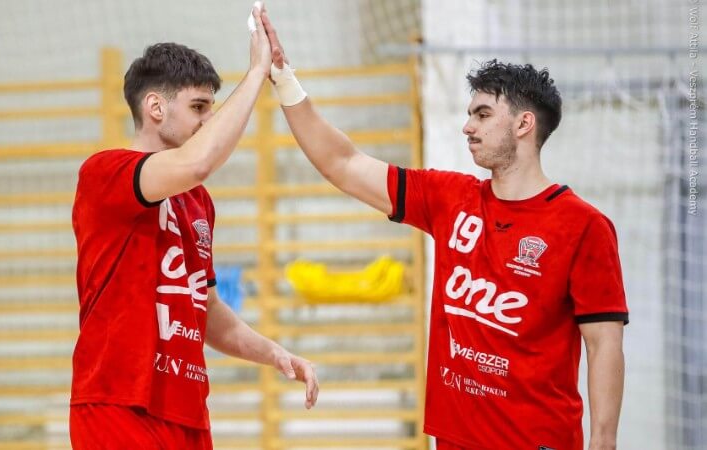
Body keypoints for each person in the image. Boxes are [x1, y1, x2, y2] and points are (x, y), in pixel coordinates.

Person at [260, 10, 627, 450]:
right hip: (453, 441)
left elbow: (603, 344)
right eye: (469, 114)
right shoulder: (449, 198)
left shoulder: (584, 225)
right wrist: (283, 78)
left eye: (483, 114)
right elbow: (343, 163)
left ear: (523, 124)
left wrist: (604, 443)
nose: (467, 126)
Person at [69, 7, 318, 449]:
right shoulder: (105, 172)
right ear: (155, 107)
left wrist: (273, 352)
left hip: (185, 411)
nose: (207, 120)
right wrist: (257, 72)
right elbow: (198, 162)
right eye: (198, 107)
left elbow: (207, 310)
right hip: (117, 404)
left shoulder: (198, 201)